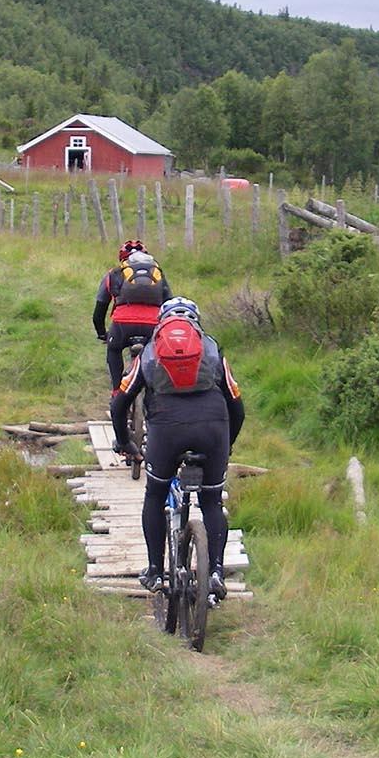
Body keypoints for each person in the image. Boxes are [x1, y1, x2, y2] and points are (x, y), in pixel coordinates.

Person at [110, 296, 243, 600]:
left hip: (166, 430)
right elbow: (238, 408)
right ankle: (216, 573)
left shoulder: (148, 354)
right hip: (213, 427)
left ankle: (156, 571)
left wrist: (125, 443)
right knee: (211, 501)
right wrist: (227, 444)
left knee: (156, 494)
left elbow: (119, 405)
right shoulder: (212, 350)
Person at [93, 240, 172, 388]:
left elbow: (99, 311)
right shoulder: (157, 273)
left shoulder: (114, 274)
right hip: (153, 324)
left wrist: (102, 333)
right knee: (157, 355)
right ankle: (155, 390)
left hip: (123, 324)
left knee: (114, 350)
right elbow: (169, 304)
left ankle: (117, 392)